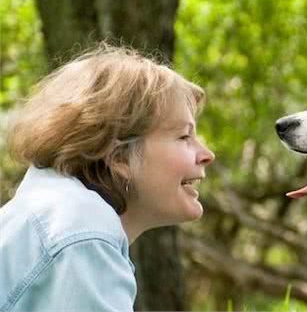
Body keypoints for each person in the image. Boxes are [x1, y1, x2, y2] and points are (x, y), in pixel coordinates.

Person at [0, 45, 215, 311]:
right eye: (184, 136)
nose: (207, 155)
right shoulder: (82, 232)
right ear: (119, 157)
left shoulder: (56, 213)